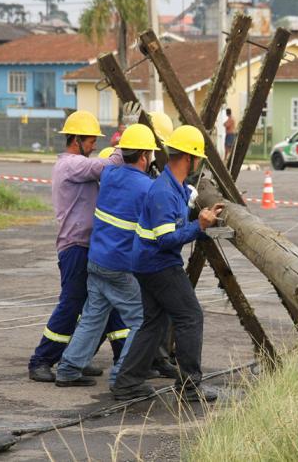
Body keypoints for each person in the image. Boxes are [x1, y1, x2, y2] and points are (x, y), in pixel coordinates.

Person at [111, 125, 224, 402]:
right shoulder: (163, 192)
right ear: (189, 158)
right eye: (198, 159)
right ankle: (189, 387)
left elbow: (172, 222)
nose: (198, 165)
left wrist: (193, 210)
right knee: (190, 316)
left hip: (147, 262)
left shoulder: (171, 187)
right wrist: (200, 224)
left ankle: (126, 382)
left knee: (153, 323)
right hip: (157, 263)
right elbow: (166, 239)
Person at [28, 110, 128, 383]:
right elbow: (108, 165)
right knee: (72, 304)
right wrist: (126, 139)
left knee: (102, 303)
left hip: (87, 246)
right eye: (91, 139)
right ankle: (41, 360)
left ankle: (88, 359)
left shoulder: (76, 164)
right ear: (76, 140)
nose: (95, 144)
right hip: (75, 248)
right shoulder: (70, 165)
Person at [56, 124, 158, 387]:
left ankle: (68, 369)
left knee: (93, 316)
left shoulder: (110, 174)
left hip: (96, 259)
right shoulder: (147, 187)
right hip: (119, 265)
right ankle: (123, 376)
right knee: (141, 319)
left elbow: (110, 161)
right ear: (145, 156)